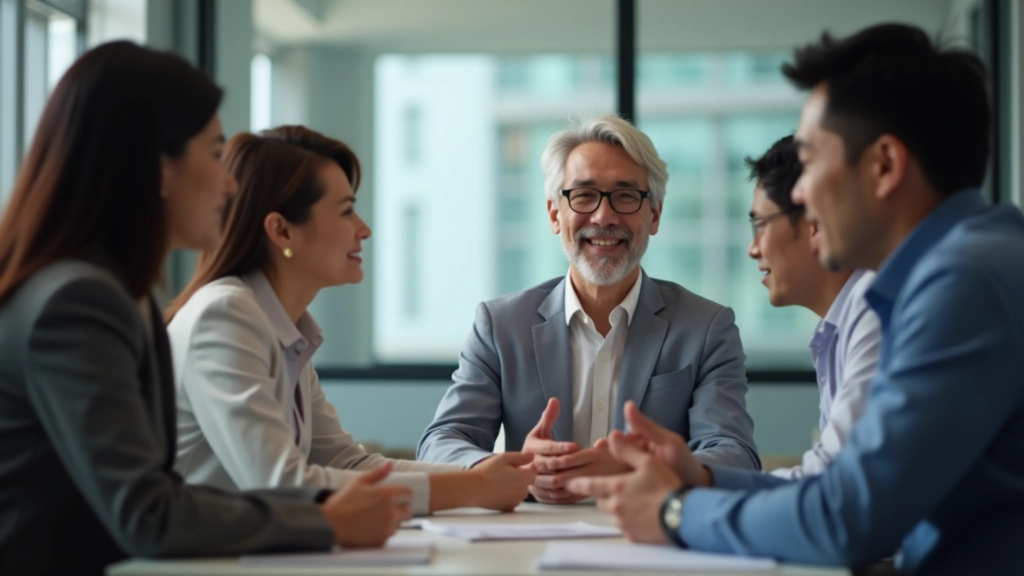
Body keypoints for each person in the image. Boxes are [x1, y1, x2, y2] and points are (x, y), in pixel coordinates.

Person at [568, 23, 1024, 574]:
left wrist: (675, 512)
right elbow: (848, 488)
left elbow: (849, 517)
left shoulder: (964, 282)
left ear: (884, 166)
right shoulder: (967, 265)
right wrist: (704, 478)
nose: (801, 193)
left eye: (810, 161)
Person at [0, 42, 409, 576]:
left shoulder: (117, 294)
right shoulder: (79, 302)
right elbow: (148, 512)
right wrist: (326, 521)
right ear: (158, 167)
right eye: (215, 153)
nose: (229, 182)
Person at [165, 125, 535, 516]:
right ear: (282, 230)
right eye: (345, 211)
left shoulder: (284, 328)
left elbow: (348, 463)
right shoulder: (224, 316)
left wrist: (490, 472)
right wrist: (473, 487)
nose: (364, 229)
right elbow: (280, 483)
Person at [418, 114, 760, 504]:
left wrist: (641, 469)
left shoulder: (706, 328)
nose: (603, 216)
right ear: (553, 214)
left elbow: (735, 456)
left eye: (626, 195)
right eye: (583, 195)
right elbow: (441, 441)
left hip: (653, 540)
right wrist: (507, 472)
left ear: (655, 215)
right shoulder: (500, 326)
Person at [746, 135, 880, 479]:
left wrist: (694, 492)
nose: (753, 248)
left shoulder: (874, 307)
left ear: (814, 222)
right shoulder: (834, 330)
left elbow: (832, 483)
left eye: (760, 225)